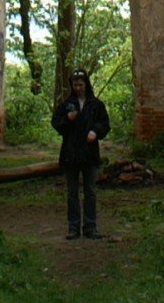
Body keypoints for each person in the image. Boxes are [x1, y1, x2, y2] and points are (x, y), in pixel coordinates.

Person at [51, 68, 111, 240]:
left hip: (90, 154)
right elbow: (56, 124)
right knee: (72, 192)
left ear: (86, 84)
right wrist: (67, 120)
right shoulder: (66, 104)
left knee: (90, 191)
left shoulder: (96, 104)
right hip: (71, 153)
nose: (78, 87)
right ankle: (73, 228)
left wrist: (96, 131)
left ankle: (90, 226)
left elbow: (105, 124)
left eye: (81, 84)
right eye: (75, 85)